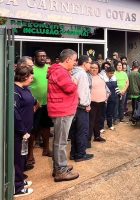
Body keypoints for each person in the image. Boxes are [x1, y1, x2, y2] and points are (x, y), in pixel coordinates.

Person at [47, 49, 79, 182]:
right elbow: (70, 88)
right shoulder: (61, 72)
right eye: (74, 60)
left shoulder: (59, 71)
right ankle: (61, 171)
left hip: (61, 110)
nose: (75, 63)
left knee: (59, 141)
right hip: (62, 111)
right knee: (61, 142)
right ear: (67, 60)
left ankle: (59, 166)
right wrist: (74, 82)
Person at [28, 50, 53, 173]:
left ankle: (46, 149)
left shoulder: (49, 68)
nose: (43, 58)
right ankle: (30, 154)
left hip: (47, 103)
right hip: (34, 105)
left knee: (46, 127)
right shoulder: (31, 69)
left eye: (44, 56)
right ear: (35, 58)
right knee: (33, 129)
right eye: (40, 56)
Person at [14, 60, 35, 197]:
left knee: (22, 157)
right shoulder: (15, 92)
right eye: (31, 78)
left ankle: (20, 179)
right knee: (18, 158)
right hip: (19, 132)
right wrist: (23, 131)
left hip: (26, 131)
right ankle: (17, 187)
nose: (32, 80)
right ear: (24, 77)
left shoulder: (25, 88)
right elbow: (14, 114)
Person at [69, 55, 94, 160]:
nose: (91, 65)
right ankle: (80, 154)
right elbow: (83, 92)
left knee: (75, 131)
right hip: (81, 107)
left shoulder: (74, 72)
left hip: (74, 106)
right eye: (89, 63)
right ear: (84, 63)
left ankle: (74, 153)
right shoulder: (82, 74)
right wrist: (86, 104)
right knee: (82, 131)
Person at [88, 62, 109, 143]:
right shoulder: (87, 77)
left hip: (102, 102)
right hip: (92, 102)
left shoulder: (100, 76)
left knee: (98, 120)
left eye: (96, 68)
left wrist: (107, 96)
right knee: (91, 121)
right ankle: (88, 140)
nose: (94, 69)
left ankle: (97, 136)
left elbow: (105, 87)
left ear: (98, 69)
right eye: (92, 67)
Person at [103, 66, 119, 130]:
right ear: (106, 72)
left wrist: (119, 94)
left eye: (113, 73)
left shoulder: (114, 77)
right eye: (110, 73)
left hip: (113, 98)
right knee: (102, 113)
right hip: (104, 98)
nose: (111, 75)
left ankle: (109, 125)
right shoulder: (102, 78)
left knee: (110, 112)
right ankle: (101, 127)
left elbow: (116, 87)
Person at [128, 60, 140, 125]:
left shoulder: (130, 73)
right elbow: (139, 84)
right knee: (137, 106)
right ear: (138, 66)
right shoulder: (137, 74)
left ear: (133, 66)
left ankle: (132, 118)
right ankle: (134, 119)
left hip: (131, 92)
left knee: (133, 106)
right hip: (137, 92)